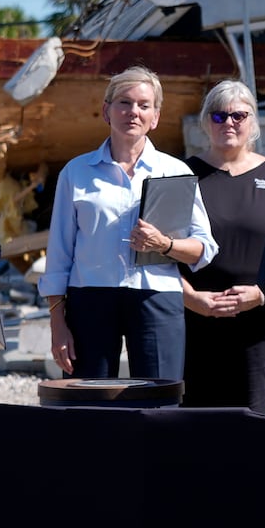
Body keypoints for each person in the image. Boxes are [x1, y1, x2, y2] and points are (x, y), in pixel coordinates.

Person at [39, 66, 218, 380]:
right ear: (106, 111)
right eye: (124, 102)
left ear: (155, 117)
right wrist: (57, 324)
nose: (133, 112)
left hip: (156, 297)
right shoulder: (76, 172)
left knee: (160, 406)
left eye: (143, 105)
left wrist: (166, 244)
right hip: (90, 299)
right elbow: (59, 255)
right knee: (89, 405)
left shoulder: (175, 171)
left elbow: (205, 248)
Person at [181, 80, 265, 412]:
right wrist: (191, 298)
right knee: (192, 419)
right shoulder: (183, 174)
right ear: (205, 122)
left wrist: (262, 293)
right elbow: (157, 250)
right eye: (218, 116)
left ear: (252, 121)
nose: (228, 123)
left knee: (249, 417)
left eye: (238, 115)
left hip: (257, 320)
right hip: (194, 319)